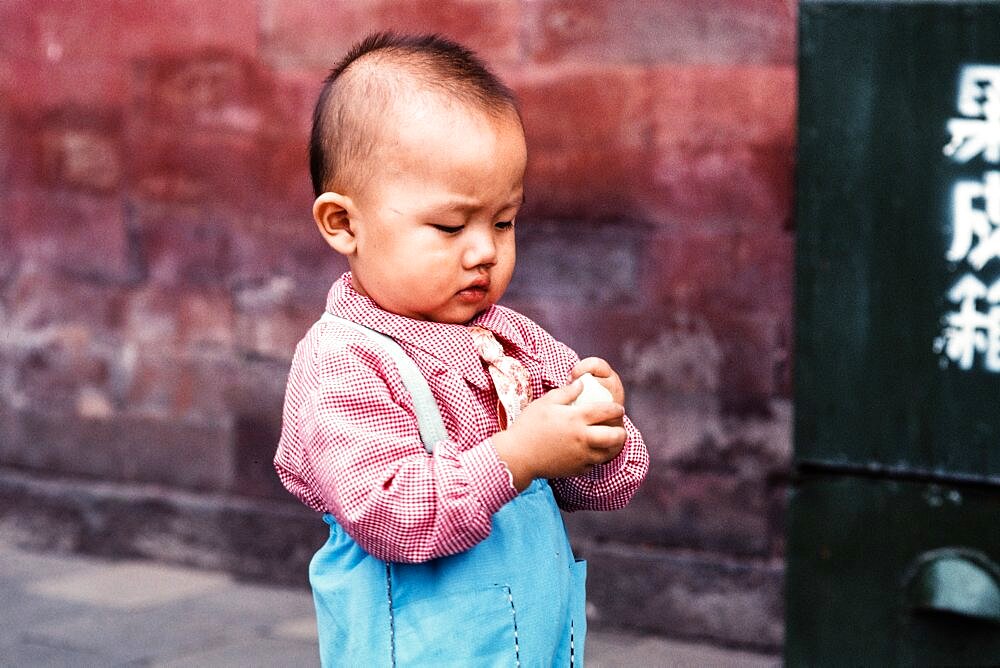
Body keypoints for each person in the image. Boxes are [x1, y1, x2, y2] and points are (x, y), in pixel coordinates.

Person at [274, 31, 649, 667]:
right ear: (344, 224)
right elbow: (387, 514)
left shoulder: (513, 340)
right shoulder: (344, 361)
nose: (483, 251)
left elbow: (611, 486)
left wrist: (601, 428)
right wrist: (518, 453)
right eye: (451, 226)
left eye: (503, 222)